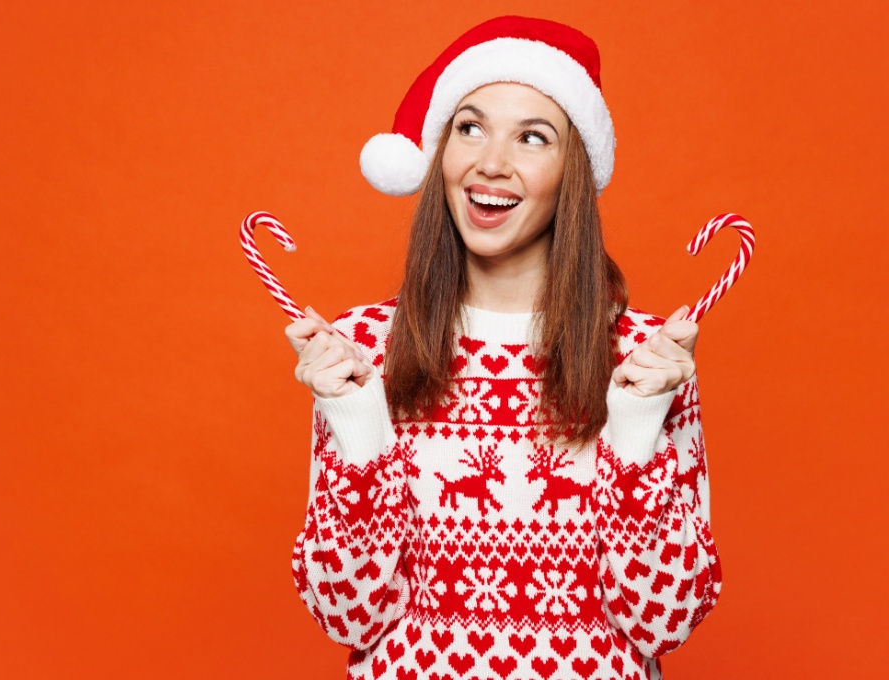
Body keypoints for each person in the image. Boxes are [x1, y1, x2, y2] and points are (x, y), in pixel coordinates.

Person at [285, 16, 721, 680]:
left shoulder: (645, 358)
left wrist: (634, 425)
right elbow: (347, 616)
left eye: (533, 137)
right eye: (470, 126)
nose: (492, 162)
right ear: (440, 152)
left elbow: (664, 620)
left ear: (572, 170)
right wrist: (358, 422)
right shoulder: (361, 350)